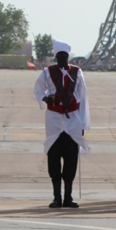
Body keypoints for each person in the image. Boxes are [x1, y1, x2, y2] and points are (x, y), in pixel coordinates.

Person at [34, 39, 90, 208]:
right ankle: (56, 196)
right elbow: (38, 89)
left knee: (71, 159)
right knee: (54, 158)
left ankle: (68, 196)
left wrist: (82, 124)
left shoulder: (77, 73)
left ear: (68, 57)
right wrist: (45, 98)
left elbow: (83, 97)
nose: (62, 59)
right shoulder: (47, 72)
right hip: (54, 121)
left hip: (73, 119)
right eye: (59, 56)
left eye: (64, 56)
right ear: (56, 57)